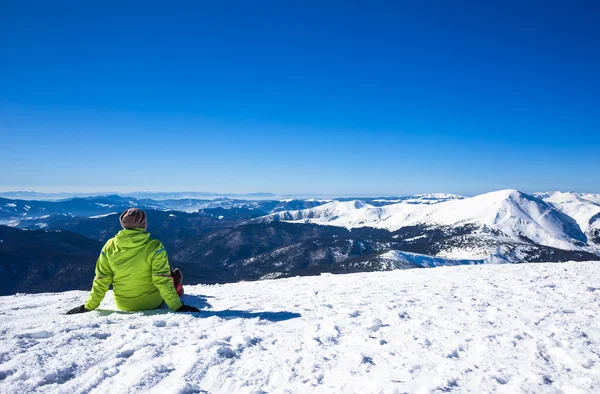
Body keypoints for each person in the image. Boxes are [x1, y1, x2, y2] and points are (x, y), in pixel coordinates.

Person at [66, 208, 199, 314]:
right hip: (151, 303)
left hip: (123, 304)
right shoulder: (155, 246)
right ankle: (177, 287)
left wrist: (89, 306)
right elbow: (161, 280)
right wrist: (177, 307)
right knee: (167, 274)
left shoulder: (109, 246)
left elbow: (102, 279)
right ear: (144, 224)